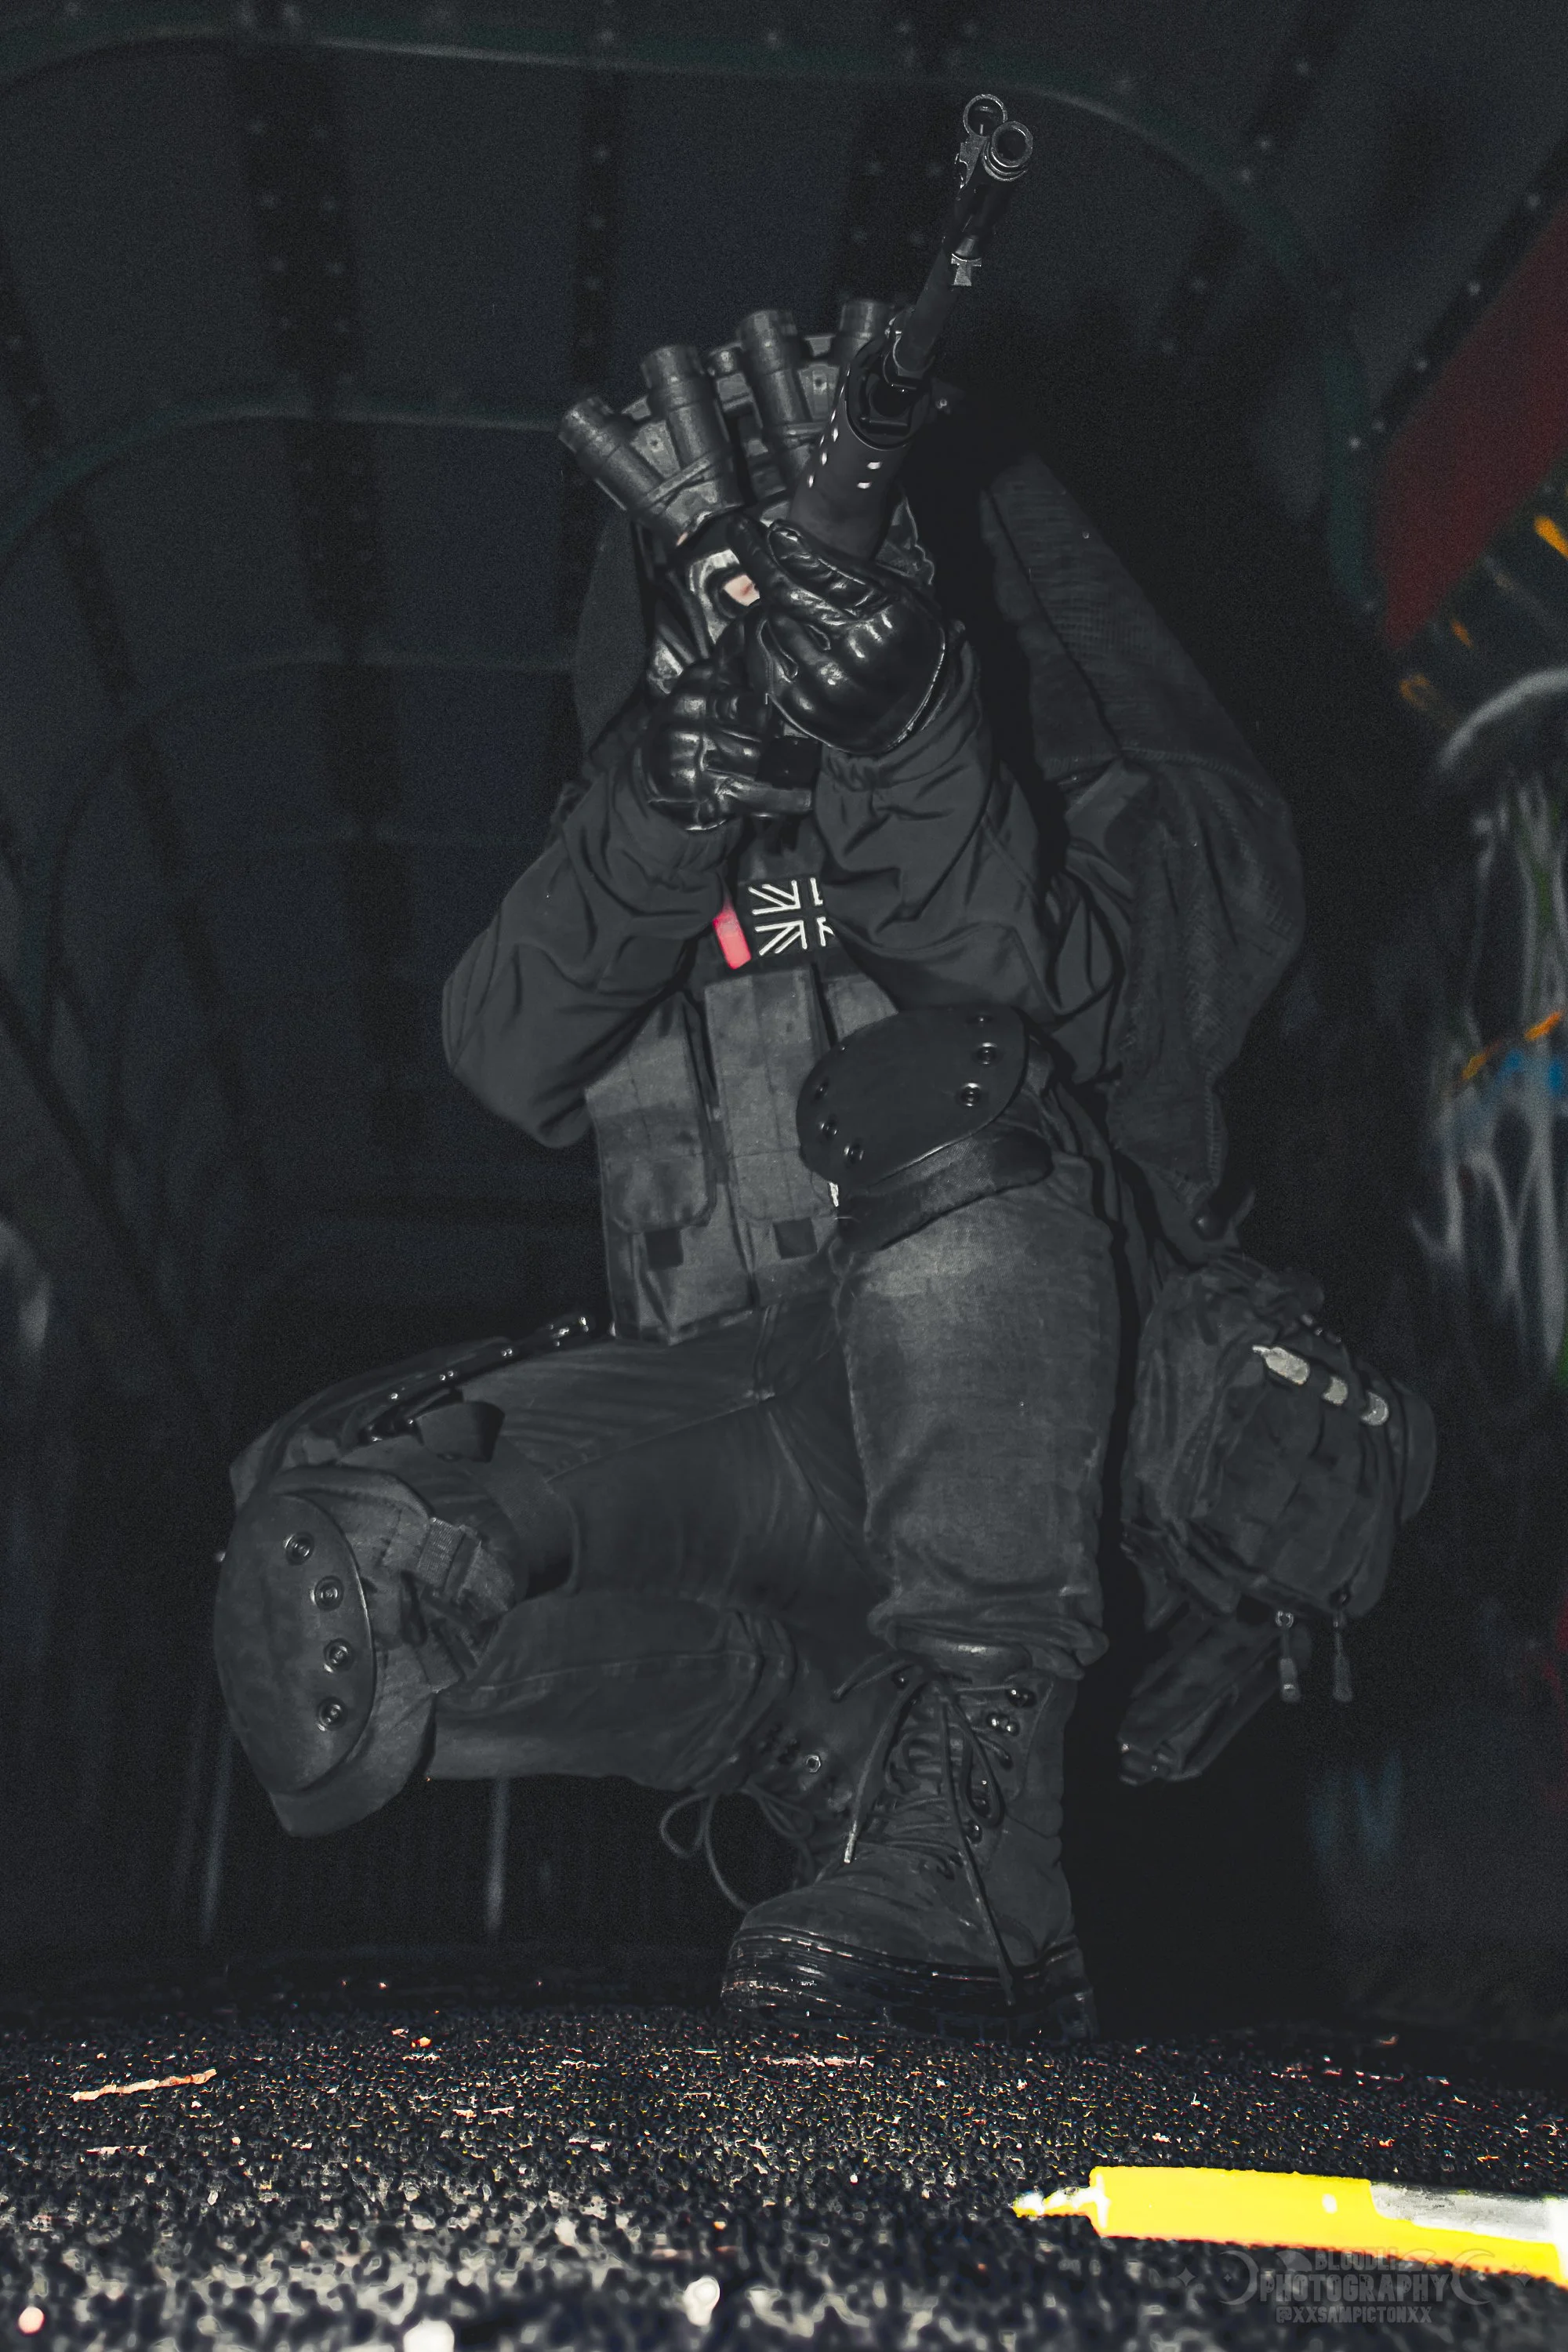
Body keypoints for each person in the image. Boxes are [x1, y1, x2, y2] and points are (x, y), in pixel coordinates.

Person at [213, 316, 1303, 2041]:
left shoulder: (1127, 788)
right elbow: (504, 1051)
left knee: (932, 1093)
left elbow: (1060, 991)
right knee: (322, 1546)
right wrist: (660, 799)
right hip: (763, 1443)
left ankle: (983, 1846)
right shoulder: (678, 812)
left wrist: (913, 731)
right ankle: (821, 1740)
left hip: (1056, 1446)